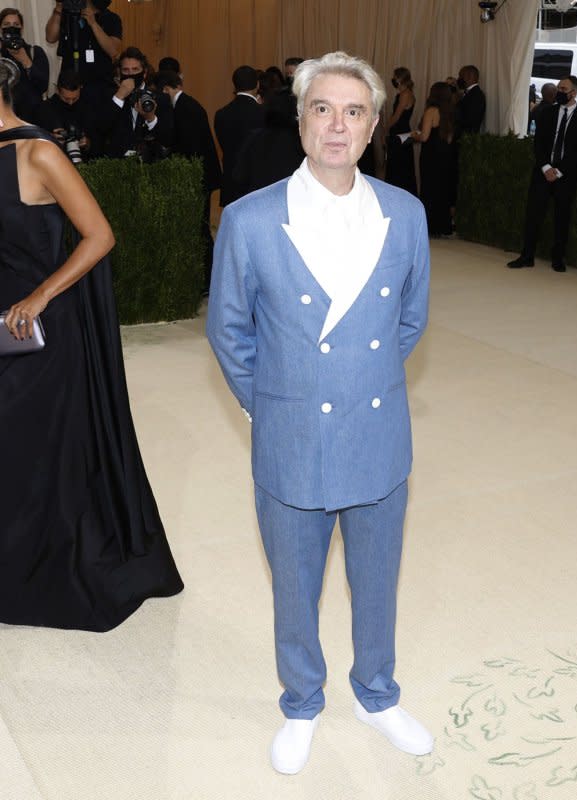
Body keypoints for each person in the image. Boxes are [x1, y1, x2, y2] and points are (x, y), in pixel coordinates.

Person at [207, 50, 433, 775]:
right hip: (291, 436)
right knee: (295, 584)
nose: (337, 126)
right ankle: (302, 700)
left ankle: (376, 693)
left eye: (354, 111)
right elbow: (229, 332)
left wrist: (353, 377)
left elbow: (408, 321)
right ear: (299, 120)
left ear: (373, 126)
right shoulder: (247, 220)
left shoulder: (406, 214)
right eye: (322, 109)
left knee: (376, 579)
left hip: (377, 434)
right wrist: (273, 406)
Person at [0, 58, 183, 631]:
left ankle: (44, 572)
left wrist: (39, 296)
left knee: (36, 452)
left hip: (38, 330)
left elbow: (100, 235)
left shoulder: (37, 153)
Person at [508, 75, 577, 273]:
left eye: (563, 89)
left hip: (566, 176)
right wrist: (546, 167)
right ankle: (526, 256)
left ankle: (558, 258)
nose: (559, 92)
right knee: (533, 215)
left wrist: (560, 170)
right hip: (542, 173)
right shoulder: (546, 113)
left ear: (574, 92)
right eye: (558, 88)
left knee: (562, 217)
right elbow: (538, 144)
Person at [156, 68, 222, 291]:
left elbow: (190, 147)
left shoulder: (186, 108)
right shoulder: (188, 105)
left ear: (166, 89)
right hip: (203, 176)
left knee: (201, 229)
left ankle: (209, 279)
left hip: (199, 178)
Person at [98, 46, 173, 160]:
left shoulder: (161, 99)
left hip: (151, 167)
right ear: (119, 72)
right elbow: (101, 129)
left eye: (135, 69)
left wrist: (151, 118)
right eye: (126, 70)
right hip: (117, 166)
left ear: (144, 73)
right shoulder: (110, 97)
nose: (130, 74)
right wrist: (119, 96)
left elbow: (168, 138)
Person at [45, 0, 122, 107]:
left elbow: (113, 50)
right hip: (70, 86)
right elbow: (50, 37)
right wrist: (58, 10)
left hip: (99, 83)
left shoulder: (112, 18)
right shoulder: (68, 14)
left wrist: (93, 23)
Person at [213, 65, 264, 207]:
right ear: (257, 84)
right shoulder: (264, 113)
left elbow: (224, 145)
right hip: (257, 182)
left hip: (231, 178)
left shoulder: (221, 114)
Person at [411, 81, 458, 237]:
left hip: (431, 155)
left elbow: (424, 137)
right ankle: (443, 225)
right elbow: (450, 137)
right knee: (442, 188)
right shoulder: (450, 111)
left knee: (429, 188)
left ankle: (429, 226)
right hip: (445, 155)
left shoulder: (431, 111)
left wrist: (413, 135)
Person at [33, 68, 98, 160]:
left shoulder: (88, 107)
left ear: (80, 88)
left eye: (75, 98)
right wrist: (50, 138)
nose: (71, 102)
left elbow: (98, 138)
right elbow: (34, 141)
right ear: (57, 90)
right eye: (66, 99)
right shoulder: (45, 109)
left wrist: (87, 142)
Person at [0, 7, 48, 122]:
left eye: (16, 25)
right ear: (1, 28)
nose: (11, 28)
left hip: (33, 118)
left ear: (21, 28)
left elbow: (43, 86)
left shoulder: (35, 52)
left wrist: (25, 60)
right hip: (4, 119)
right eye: (7, 24)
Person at [384, 66, 416, 194]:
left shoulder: (405, 94)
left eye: (395, 77)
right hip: (403, 132)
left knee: (399, 167)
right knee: (401, 165)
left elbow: (397, 116)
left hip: (399, 133)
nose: (393, 79)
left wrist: (386, 129)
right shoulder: (406, 93)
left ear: (400, 78)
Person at [455, 64, 486, 136]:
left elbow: (470, 119)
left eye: (461, 76)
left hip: (467, 139)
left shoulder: (477, 95)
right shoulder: (469, 93)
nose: (459, 79)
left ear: (470, 77)